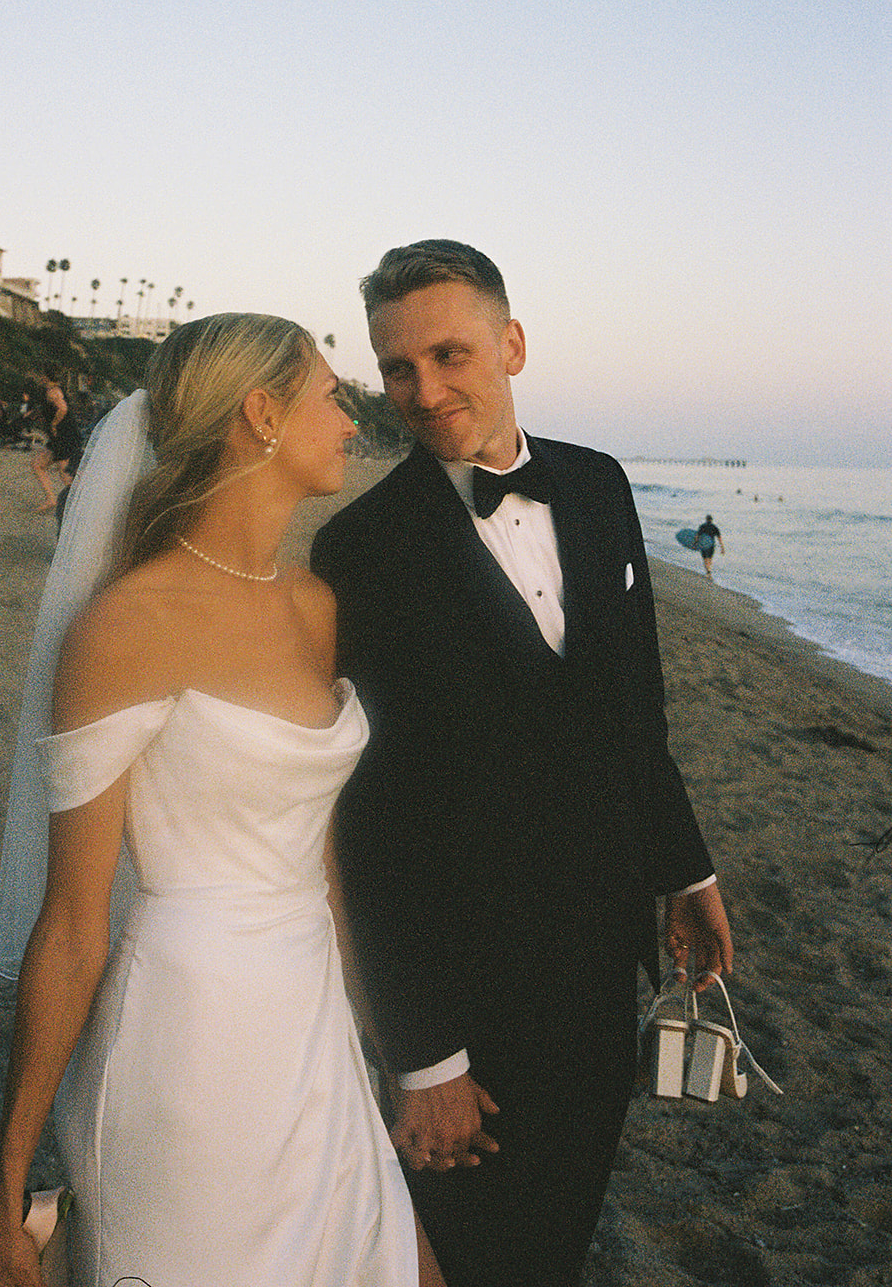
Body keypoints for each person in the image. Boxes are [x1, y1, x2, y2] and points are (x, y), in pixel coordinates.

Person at [0, 314, 443, 1287]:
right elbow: (70, 923)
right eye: (327, 393)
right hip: (188, 1041)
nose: (348, 417)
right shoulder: (124, 627)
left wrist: (378, 1041)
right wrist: (4, 1178)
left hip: (311, 1029)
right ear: (261, 414)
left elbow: (317, 857)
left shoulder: (313, 608)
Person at [310, 241, 733, 1287]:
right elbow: (370, 826)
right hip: (467, 997)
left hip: (598, 968)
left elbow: (636, 711)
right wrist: (422, 1054)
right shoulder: (359, 551)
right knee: (468, 1250)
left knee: (558, 1236)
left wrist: (684, 873)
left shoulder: (595, 485)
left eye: (448, 354)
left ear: (512, 344)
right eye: (395, 367)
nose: (422, 388)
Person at [30, 370, 83, 512]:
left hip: (63, 435)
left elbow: (63, 408)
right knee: (38, 464)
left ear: (45, 376)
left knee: (64, 471)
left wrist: (54, 424)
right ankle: (52, 499)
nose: (39, 378)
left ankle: (76, 505)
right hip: (61, 436)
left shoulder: (53, 391)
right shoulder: (53, 390)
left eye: (40, 375)